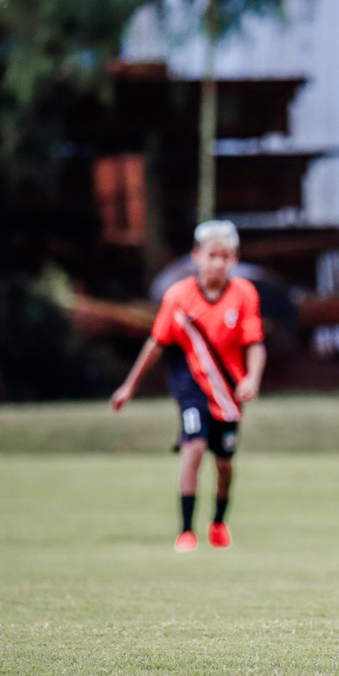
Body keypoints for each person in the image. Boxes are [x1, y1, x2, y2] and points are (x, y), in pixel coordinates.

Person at [110, 220, 266, 552]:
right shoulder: (178, 296)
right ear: (196, 256)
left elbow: (254, 343)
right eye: (212, 255)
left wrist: (252, 378)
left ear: (234, 259)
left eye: (225, 256)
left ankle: (218, 522)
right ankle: (186, 531)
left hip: (228, 389)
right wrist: (129, 386)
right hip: (190, 384)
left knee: (223, 464)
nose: (218, 263)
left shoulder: (244, 294)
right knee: (193, 448)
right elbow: (156, 344)